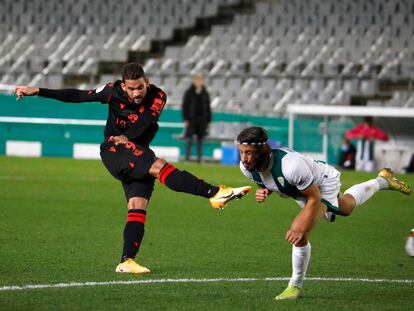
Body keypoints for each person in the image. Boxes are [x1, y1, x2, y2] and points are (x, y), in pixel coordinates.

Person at [14, 63, 251, 274]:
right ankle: (213, 193)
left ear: (147, 83)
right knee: (159, 167)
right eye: (131, 89)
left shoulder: (158, 96)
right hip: (113, 152)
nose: (136, 93)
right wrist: (39, 91)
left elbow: (146, 121)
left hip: (134, 149)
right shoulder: (111, 90)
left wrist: (126, 137)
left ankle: (126, 261)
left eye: (140, 87)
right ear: (123, 86)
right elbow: (78, 95)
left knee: (137, 206)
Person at [236, 127, 411, 300]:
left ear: (264, 149)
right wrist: (265, 190)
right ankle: (383, 181)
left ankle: (294, 286)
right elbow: (269, 180)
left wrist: (301, 227)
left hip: (322, 183)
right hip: (300, 190)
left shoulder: (291, 166)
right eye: (242, 152)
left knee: (300, 232)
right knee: (347, 207)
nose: (244, 159)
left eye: (249, 153)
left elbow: (314, 197)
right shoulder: (246, 168)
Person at [182, 73, 211, 163]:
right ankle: (187, 158)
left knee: (200, 140)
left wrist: (208, 120)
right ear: (194, 80)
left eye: (200, 80)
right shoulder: (189, 92)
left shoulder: (205, 92)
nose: (198, 81)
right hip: (191, 119)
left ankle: (199, 159)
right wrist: (185, 119)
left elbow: (208, 107)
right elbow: (185, 106)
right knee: (189, 139)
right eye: (197, 79)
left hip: (202, 120)